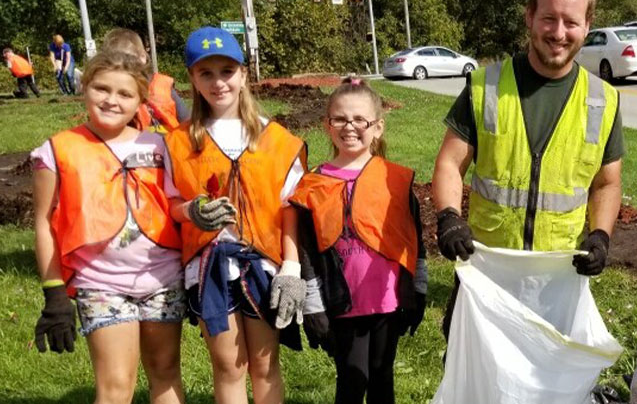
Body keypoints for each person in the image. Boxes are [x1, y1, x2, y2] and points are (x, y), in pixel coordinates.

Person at [431, 0, 624, 336]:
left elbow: (607, 183)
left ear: (587, 25)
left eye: (571, 22)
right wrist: (449, 217)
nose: (559, 32)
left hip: (557, 279)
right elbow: (450, 163)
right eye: (549, 18)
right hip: (487, 270)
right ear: (530, 17)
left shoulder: (603, 100)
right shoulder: (485, 86)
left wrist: (600, 234)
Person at [30, 50, 186, 404]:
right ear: (85, 87)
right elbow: (43, 223)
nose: (112, 101)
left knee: (165, 370)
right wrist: (54, 293)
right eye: (102, 89)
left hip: (163, 279)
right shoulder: (57, 150)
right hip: (101, 282)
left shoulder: (160, 145)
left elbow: (175, 206)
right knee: (116, 384)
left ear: (140, 102)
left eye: (125, 94)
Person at [164, 26, 307, 404]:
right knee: (229, 366)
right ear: (192, 79)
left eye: (227, 71)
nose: (218, 82)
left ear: (244, 74)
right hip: (209, 267)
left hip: (264, 266)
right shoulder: (178, 142)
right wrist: (190, 211)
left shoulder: (276, 139)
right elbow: (170, 204)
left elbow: (289, 205)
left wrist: (291, 268)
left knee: (264, 362)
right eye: (205, 73)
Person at [290, 78, 427, 403]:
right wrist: (312, 304)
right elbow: (307, 249)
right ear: (327, 125)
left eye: (359, 120)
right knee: (352, 379)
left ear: (377, 127)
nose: (349, 126)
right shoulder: (313, 184)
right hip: (342, 300)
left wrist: (418, 289)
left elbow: (414, 237)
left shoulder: (395, 179)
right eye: (340, 118)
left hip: (388, 298)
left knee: (382, 376)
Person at [100, 28, 191, 132]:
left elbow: (186, 120)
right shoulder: (110, 96)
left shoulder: (163, 86)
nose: (124, 67)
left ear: (143, 57)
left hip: (170, 142)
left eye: (129, 61)